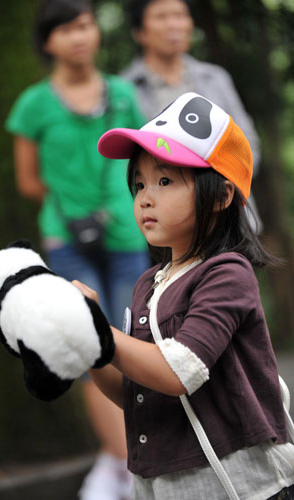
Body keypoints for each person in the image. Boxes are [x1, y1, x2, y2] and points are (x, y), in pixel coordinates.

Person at [72, 92, 294, 500]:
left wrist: (102, 330)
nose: (145, 197)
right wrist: (87, 341)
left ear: (222, 195)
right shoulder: (147, 284)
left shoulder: (227, 273)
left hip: (242, 487)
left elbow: (178, 372)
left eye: (165, 180)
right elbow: (133, 391)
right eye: (138, 183)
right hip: (164, 485)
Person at [5, 1, 150, 499]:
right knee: (91, 347)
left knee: (135, 339)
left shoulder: (126, 93)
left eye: (85, 24)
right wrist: (75, 204)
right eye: (65, 29)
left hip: (127, 234)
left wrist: (112, 205)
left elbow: (142, 159)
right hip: (67, 239)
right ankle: (128, 467)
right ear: (48, 42)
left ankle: (132, 461)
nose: (79, 36)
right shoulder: (32, 105)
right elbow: (27, 181)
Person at [122, 0, 262, 233]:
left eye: (180, 15)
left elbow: (247, 144)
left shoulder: (215, 79)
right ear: (140, 32)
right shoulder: (125, 88)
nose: (174, 24)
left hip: (224, 222)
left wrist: (211, 191)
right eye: (162, 17)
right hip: (158, 229)